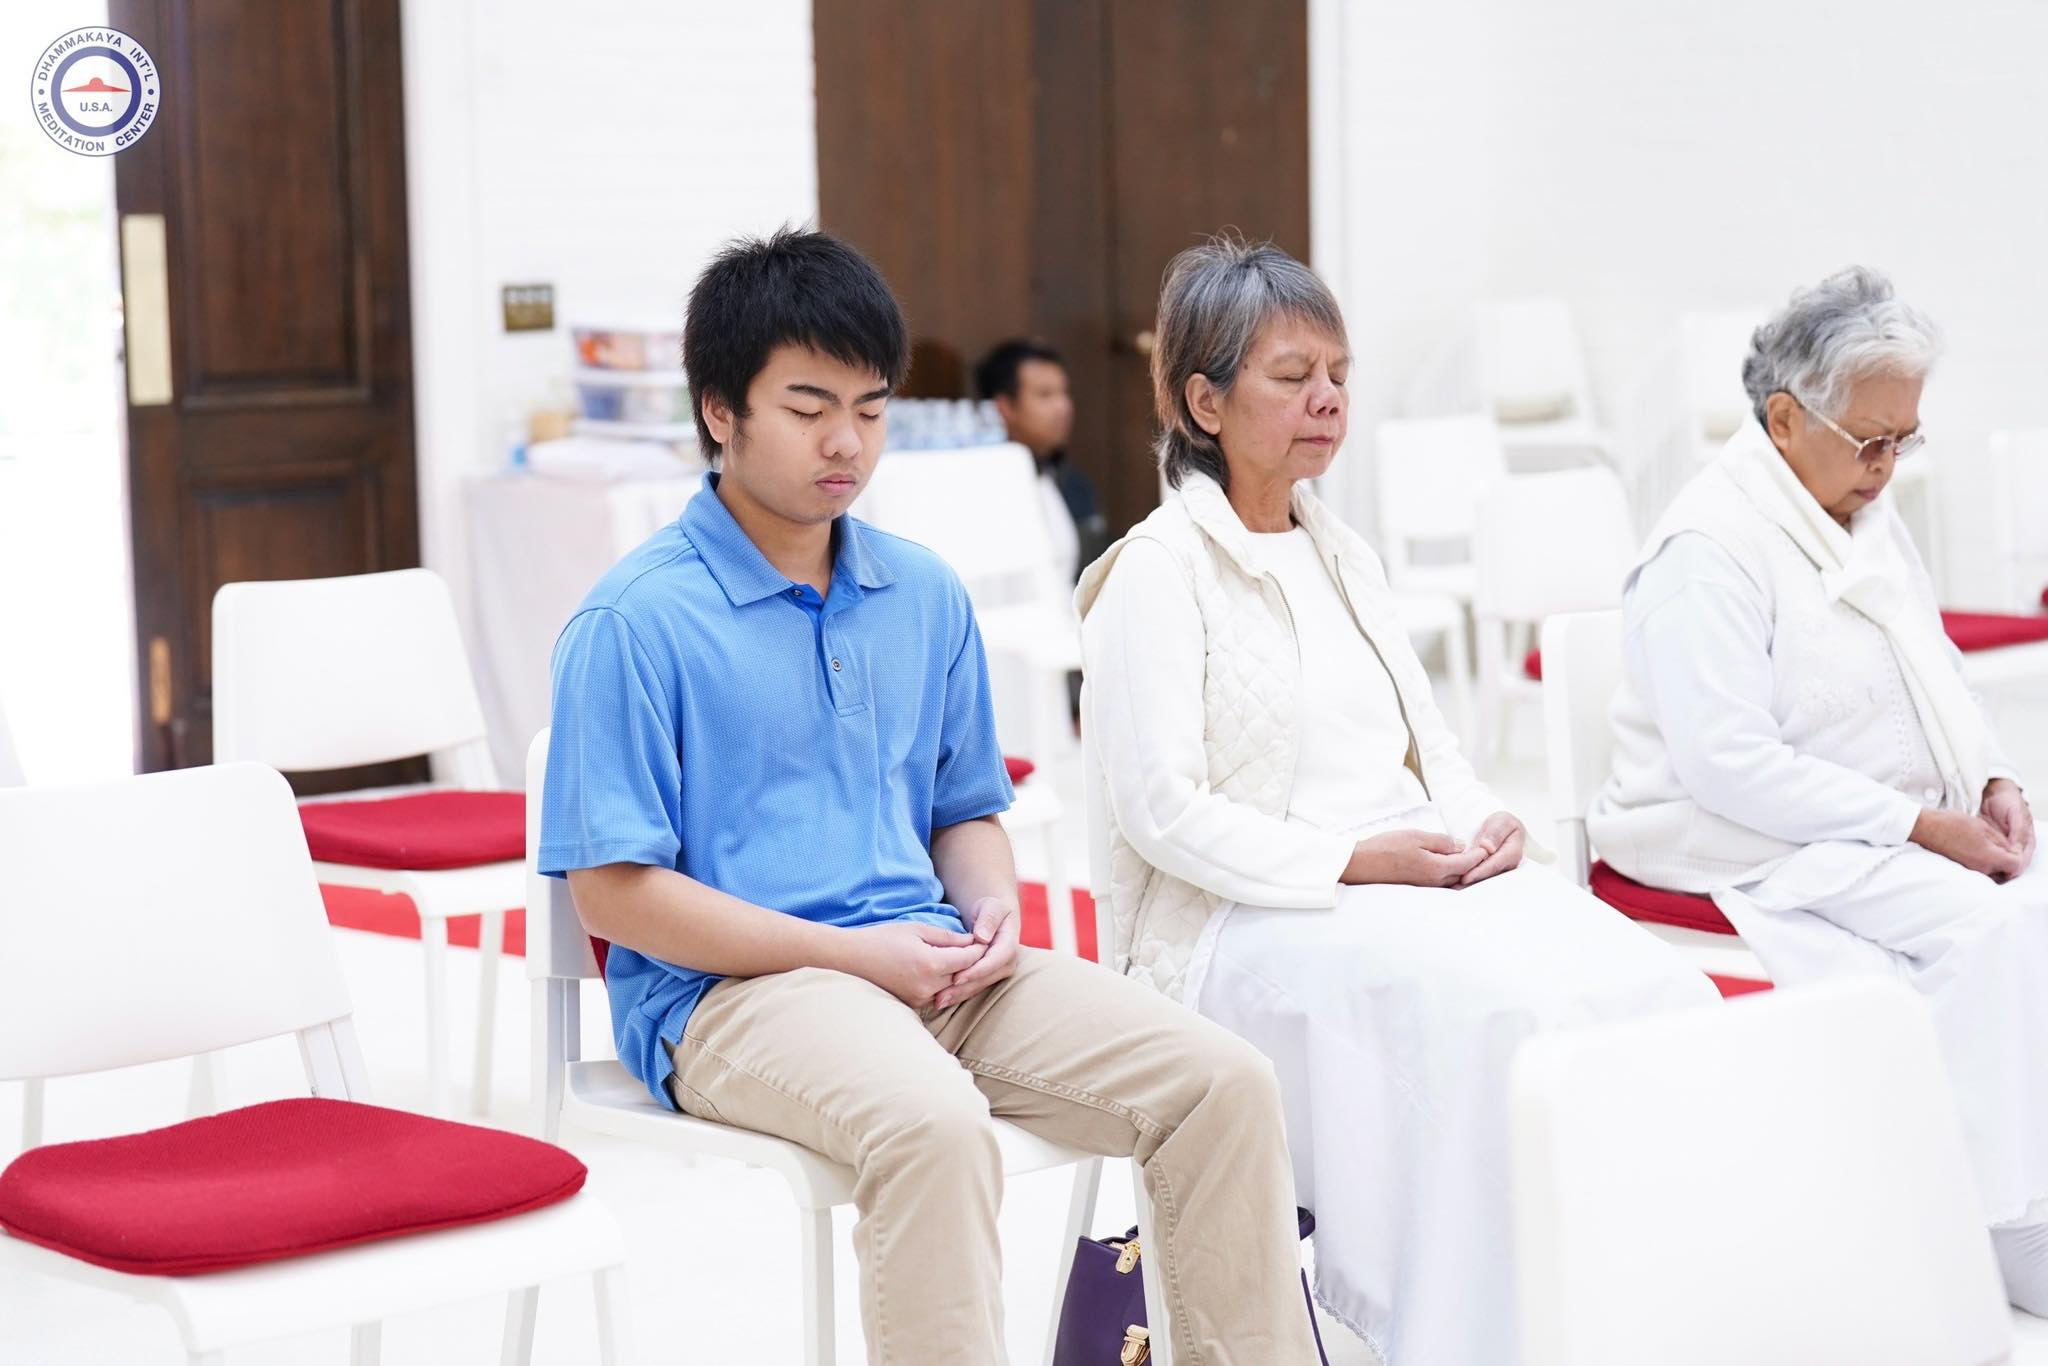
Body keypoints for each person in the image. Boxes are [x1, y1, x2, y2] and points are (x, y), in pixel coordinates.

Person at [539, 228, 1325, 1365]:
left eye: (869, 407)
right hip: (729, 996)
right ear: (719, 412)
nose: (845, 441)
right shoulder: (634, 622)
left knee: (1220, 1083)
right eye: (808, 408)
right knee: (933, 1126)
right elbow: (614, 895)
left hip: (928, 963)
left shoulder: (918, 592)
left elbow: (963, 808)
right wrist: (859, 958)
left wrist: (993, 906)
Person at [1075, 235, 1716, 1366]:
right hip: (1235, 925)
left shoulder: (1340, 551)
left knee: (1655, 981)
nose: (1326, 399)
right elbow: (1159, 812)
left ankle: (1628, 1311)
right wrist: (1352, 862)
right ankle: (1477, 1333)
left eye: (1337, 373)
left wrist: (1480, 823)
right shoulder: (1154, 571)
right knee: (1492, 1015)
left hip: (1399, 881)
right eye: (1291, 375)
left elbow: (1431, 748)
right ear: (1202, 399)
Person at [1589, 265, 2047, 1313]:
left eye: (1902, 440)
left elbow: (1935, 662)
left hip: (1872, 819)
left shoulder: (1853, 506)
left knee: (2028, 905)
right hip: (1728, 830)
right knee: (1979, 933)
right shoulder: (1706, 547)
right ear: (1784, 418)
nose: (1887, 468)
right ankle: (1987, 1222)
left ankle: (2027, 1176)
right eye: (1868, 442)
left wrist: (1989, 776)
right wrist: (1918, 825)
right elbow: (1724, 764)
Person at [976, 338, 1110, 584]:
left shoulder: (1074, 484)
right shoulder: (982, 490)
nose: (1063, 406)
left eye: (1064, 393)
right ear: (1005, 407)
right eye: (1045, 395)